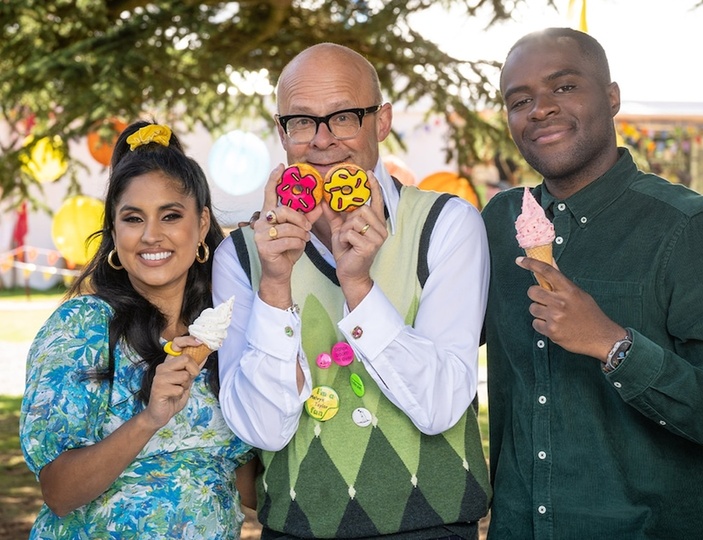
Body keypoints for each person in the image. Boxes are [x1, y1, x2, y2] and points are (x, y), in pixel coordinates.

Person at [213, 43, 491, 539]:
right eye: (302, 121)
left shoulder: (447, 225)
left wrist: (358, 285)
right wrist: (275, 284)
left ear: (381, 122)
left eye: (343, 117)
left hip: (433, 527)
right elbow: (262, 430)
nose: (322, 141)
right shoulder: (240, 255)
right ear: (282, 131)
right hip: (298, 528)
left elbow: (441, 406)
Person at [481, 27, 703, 539]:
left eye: (564, 87)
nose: (540, 109)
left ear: (611, 97)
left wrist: (613, 344)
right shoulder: (499, 223)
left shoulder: (689, 228)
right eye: (519, 100)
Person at [20, 121, 255, 539]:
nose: (151, 235)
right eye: (133, 218)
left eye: (170, 216)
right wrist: (150, 419)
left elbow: (248, 485)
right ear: (114, 231)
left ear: (202, 224)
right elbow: (59, 492)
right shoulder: (82, 327)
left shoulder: (227, 332)